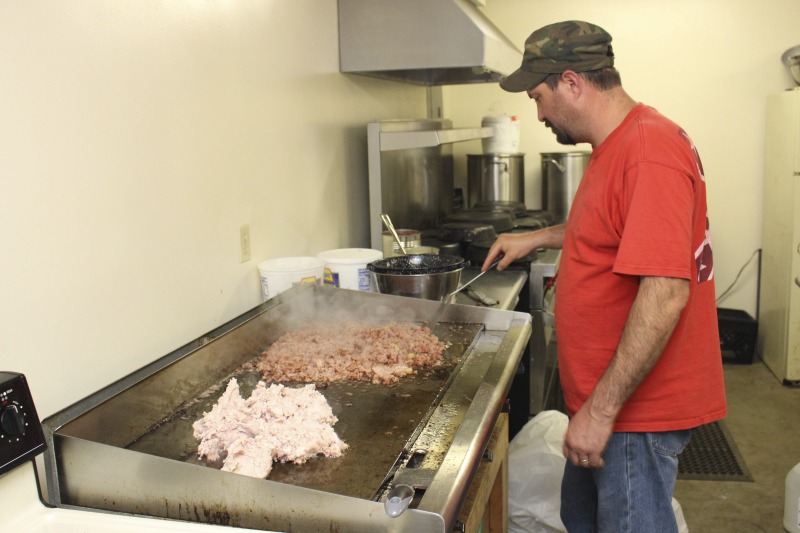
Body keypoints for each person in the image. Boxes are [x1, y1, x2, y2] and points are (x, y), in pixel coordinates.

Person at [482, 20, 727, 532]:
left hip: (633, 414)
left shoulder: (648, 152)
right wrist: (540, 237)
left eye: (539, 96)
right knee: (583, 517)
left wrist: (599, 413)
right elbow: (613, 227)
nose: (540, 112)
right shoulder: (620, 142)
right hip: (605, 403)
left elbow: (664, 295)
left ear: (572, 82)